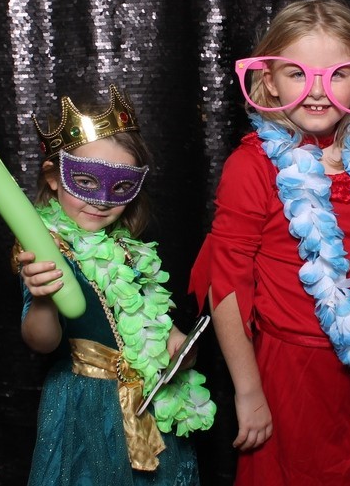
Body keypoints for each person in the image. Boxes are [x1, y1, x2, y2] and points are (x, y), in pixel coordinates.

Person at [189, 0, 350, 485]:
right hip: (292, 374)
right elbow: (225, 287)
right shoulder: (252, 166)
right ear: (269, 79)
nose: (316, 91)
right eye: (297, 74)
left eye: (337, 74)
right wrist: (247, 391)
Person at [15, 83, 215, 486]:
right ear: (53, 177)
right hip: (86, 406)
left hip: (151, 404)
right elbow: (42, 342)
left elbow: (156, 327)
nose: (103, 200)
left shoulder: (131, 251)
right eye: (86, 181)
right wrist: (42, 299)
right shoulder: (47, 249)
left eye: (120, 187)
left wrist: (178, 347)